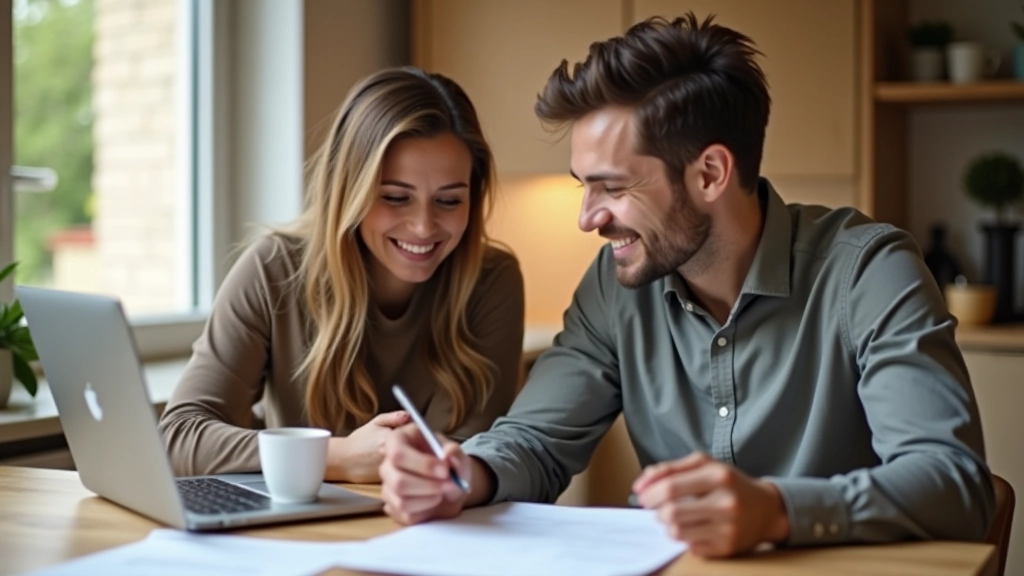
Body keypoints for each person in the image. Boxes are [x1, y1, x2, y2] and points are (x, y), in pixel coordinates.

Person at [378, 14, 995, 557]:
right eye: (583, 185)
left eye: (613, 187)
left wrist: (778, 511)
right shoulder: (617, 283)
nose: (587, 216)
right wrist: (465, 471)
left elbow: (953, 483)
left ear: (710, 173)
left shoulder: (868, 271)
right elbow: (536, 439)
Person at [159, 67, 525, 483]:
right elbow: (179, 437)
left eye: (448, 200)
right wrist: (338, 456)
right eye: (395, 197)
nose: (424, 226)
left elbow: (470, 457)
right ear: (349, 188)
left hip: (432, 528)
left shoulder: (491, 279)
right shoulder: (273, 268)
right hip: (296, 531)